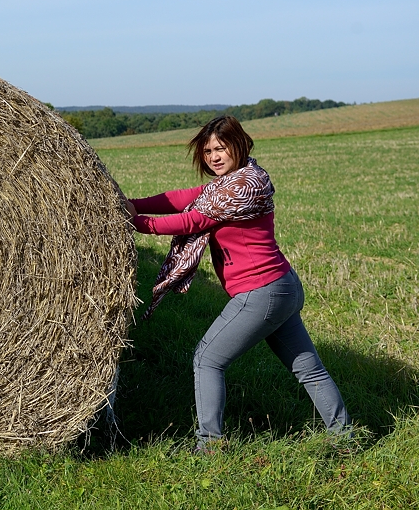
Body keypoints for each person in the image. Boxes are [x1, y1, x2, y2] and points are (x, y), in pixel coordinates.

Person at [126, 116, 350, 452]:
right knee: (307, 367)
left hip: (261, 292)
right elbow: (185, 196)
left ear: (239, 144)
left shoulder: (243, 187)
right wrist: (136, 204)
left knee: (208, 358)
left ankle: (210, 444)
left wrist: (133, 220)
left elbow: (192, 219)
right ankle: (345, 437)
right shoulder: (232, 182)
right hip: (280, 286)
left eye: (220, 148)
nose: (213, 156)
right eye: (207, 151)